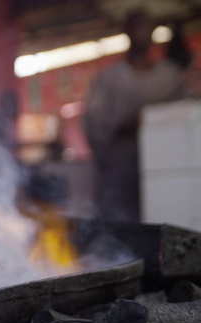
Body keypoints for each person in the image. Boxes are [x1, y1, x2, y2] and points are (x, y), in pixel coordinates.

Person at [81, 10, 193, 222]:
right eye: (137, 27)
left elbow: (190, 112)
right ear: (127, 33)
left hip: (168, 165)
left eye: (147, 27)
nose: (142, 32)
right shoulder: (109, 78)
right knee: (126, 232)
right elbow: (93, 123)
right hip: (122, 171)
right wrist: (127, 124)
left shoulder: (170, 76)